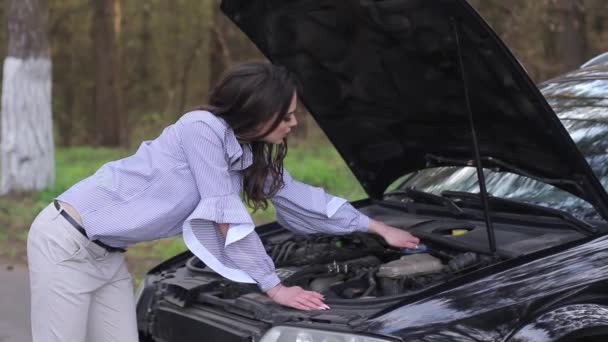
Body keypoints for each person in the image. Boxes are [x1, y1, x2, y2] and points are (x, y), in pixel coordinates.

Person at [26, 61, 420, 342]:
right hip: (66, 243)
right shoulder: (201, 130)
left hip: (107, 255)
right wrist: (273, 285)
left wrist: (377, 227)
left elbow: (300, 197)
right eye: (288, 115)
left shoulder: (244, 156)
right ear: (260, 110)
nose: (294, 124)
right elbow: (224, 214)